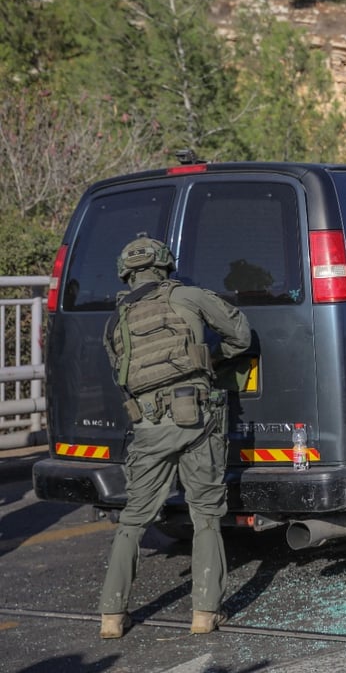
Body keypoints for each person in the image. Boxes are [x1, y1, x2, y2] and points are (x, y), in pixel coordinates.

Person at [98, 235, 251, 639]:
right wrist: (208, 358)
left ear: (126, 272)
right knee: (205, 516)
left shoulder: (116, 320)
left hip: (147, 427)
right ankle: (204, 613)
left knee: (133, 519)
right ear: (165, 265)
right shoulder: (191, 297)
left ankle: (111, 616)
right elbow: (241, 335)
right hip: (196, 418)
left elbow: (122, 375)